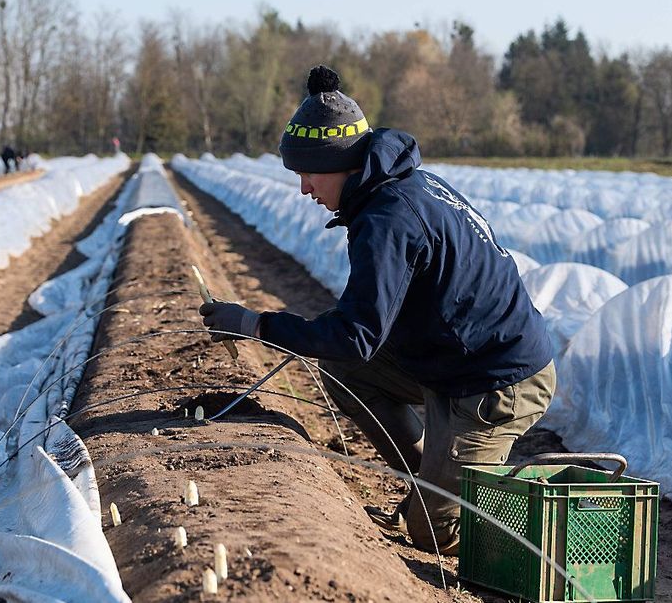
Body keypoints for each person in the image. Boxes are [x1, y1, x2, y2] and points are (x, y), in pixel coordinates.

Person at [198, 65, 555, 555]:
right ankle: (433, 477)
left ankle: (506, 499)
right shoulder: (400, 186)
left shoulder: (388, 218)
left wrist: (255, 324)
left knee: (435, 534)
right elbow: (359, 341)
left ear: (339, 163)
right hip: (451, 359)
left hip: (495, 380)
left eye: (308, 173)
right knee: (348, 372)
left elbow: (355, 334)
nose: (304, 189)